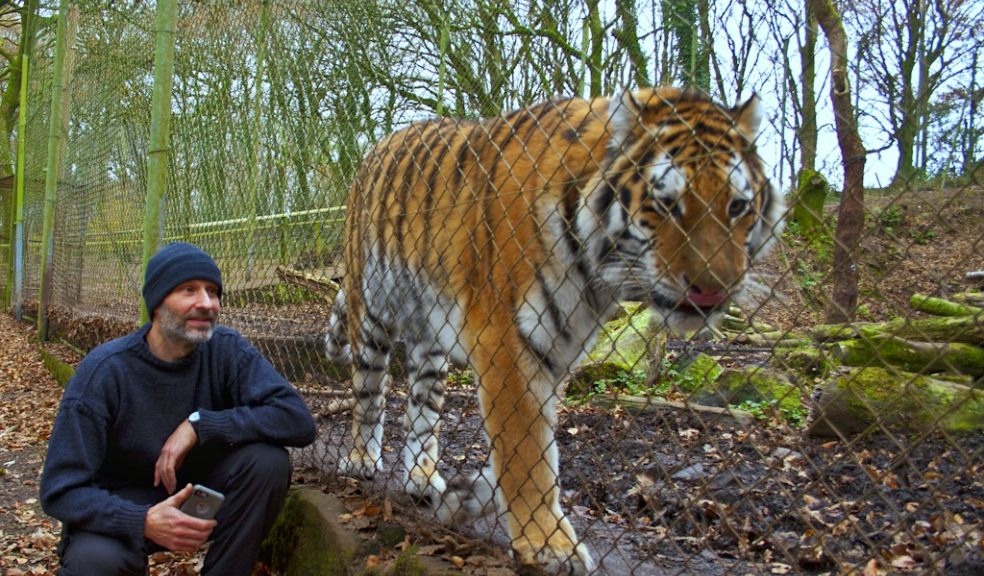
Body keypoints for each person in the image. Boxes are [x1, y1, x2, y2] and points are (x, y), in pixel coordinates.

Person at [40, 242, 318, 576]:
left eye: (213, 292)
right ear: (157, 303)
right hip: (121, 508)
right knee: (94, 563)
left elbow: (297, 420)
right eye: (189, 290)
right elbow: (60, 489)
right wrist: (141, 520)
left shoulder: (225, 350)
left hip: (199, 498)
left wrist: (200, 425)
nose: (206, 303)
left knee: (266, 461)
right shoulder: (105, 372)